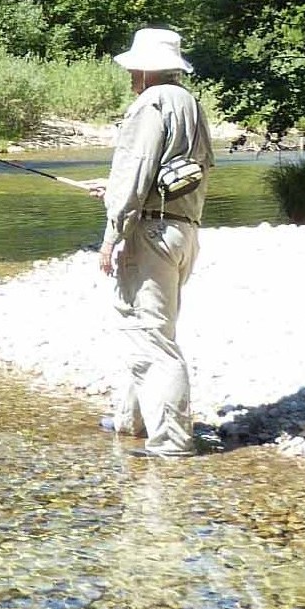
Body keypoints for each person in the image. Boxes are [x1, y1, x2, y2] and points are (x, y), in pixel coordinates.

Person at [82, 27, 214, 458]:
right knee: (155, 329)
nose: (130, 75)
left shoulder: (148, 104)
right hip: (184, 230)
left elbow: (134, 170)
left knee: (150, 337)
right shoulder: (190, 104)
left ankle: (172, 442)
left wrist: (112, 236)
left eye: (133, 68)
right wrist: (119, 191)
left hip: (152, 235)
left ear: (143, 70)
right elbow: (168, 172)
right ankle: (132, 421)